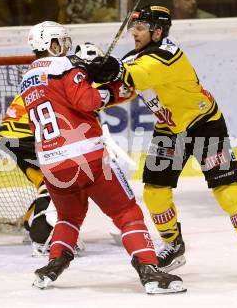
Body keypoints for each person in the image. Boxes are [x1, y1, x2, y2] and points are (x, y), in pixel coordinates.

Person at [86, 5, 237, 276]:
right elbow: (124, 86)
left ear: (158, 31)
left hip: (205, 125)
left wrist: (110, 68)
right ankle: (173, 244)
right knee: (154, 192)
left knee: (227, 190)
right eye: (133, 29)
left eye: (140, 28)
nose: (135, 34)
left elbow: (138, 74)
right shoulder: (135, 58)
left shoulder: (168, 54)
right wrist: (93, 82)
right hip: (170, 130)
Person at [19, 21, 186, 294]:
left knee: (68, 217)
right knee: (127, 213)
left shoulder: (27, 79)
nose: (65, 47)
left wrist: (86, 73)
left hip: (51, 164)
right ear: (51, 45)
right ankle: (149, 270)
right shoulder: (64, 66)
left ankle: (52, 266)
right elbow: (86, 101)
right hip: (87, 156)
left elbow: (63, 101)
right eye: (61, 41)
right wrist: (112, 87)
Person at [0, 43, 104, 256]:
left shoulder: (56, 73)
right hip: (26, 135)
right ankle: (44, 235)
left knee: (45, 181)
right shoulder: (72, 80)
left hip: (12, 134)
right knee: (59, 180)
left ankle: (32, 223)